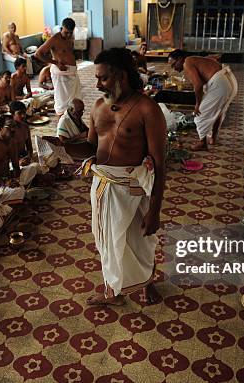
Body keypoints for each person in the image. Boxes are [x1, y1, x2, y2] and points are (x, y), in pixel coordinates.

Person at [73, 48, 166, 305]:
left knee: (141, 240)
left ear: (121, 76)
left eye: (102, 78)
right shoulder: (99, 106)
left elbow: (160, 163)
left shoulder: (147, 109)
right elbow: (91, 146)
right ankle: (112, 291)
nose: (97, 83)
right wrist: (64, 145)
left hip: (133, 185)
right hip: (104, 185)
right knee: (107, 240)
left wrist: (155, 210)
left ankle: (146, 281)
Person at [168, 49, 238, 149]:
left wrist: (197, 104)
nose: (173, 68)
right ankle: (213, 138)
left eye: (173, 64)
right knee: (219, 112)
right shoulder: (194, 59)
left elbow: (198, 85)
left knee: (200, 115)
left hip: (221, 84)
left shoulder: (187, 62)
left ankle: (202, 143)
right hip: (230, 81)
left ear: (180, 59)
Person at [35, 18, 81, 116]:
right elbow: (38, 53)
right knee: (62, 103)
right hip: (61, 73)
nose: (68, 35)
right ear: (62, 28)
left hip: (72, 73)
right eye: (66, 32)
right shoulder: (55, 39)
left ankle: (71, 125)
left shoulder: (70, 37)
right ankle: (61, 129)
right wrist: (55, 63)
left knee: (75, 101)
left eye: (70, 33)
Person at [0, 117, 20, 183]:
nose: (13, 129)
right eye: (9, 126)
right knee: (18, 191)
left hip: (8, 177)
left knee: (33, 167)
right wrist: (3, 181)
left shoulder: (12, 142)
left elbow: (15, 165)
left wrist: (16, 179)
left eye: (14, 126)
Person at [10, 101, 33, 166]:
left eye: (24, 113)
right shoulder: (8, 130)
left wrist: (29, 157)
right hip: (12, 161)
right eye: (19, 113)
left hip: (24, 157)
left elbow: (29, 148)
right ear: (12, 114)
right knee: (33, 168)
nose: (23, 116)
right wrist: (18, 162)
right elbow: (5, 153)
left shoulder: (25, 127)